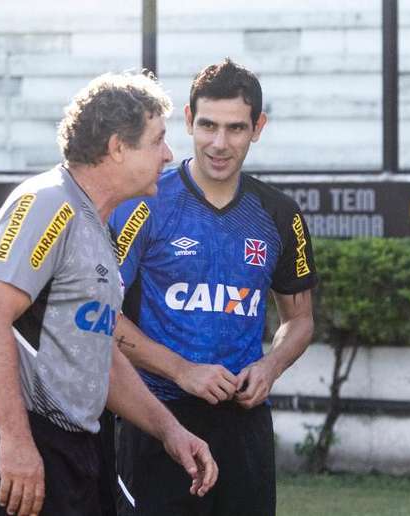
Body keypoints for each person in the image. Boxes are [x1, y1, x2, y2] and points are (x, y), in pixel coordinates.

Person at [0, 72, 218, 516]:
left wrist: (169, 431)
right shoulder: (49, 203)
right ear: (118, 147)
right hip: (20, 438)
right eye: (157, 140)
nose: (169, 154)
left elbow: (99, 354)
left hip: (77, 447)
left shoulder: (95, 224)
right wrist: (17, 443)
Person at [109, 58, 317, 516]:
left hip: (243, 430)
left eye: (236, 129)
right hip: (156, 419)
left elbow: (299, 320)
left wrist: (271, 366)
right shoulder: (143, 203)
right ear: (187, 120)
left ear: (258, 127)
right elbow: (103, 318)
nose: (219, 144)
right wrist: (183, 370)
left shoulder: (280, 214)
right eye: (207, 126)